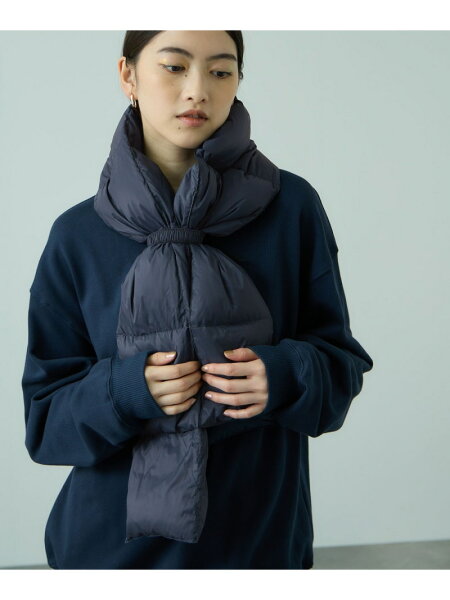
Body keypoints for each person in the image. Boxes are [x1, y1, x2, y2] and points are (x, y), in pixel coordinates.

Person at [21, 30, 373, 569]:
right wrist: (124, 392)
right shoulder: (77, 235)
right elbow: (46, 425)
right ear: (128, 76)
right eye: (174, 66)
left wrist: (284, 375)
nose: (197, 90)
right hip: (107, 555)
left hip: (258, 547)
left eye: (220, 71)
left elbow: (341, 367)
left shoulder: (292, 208)